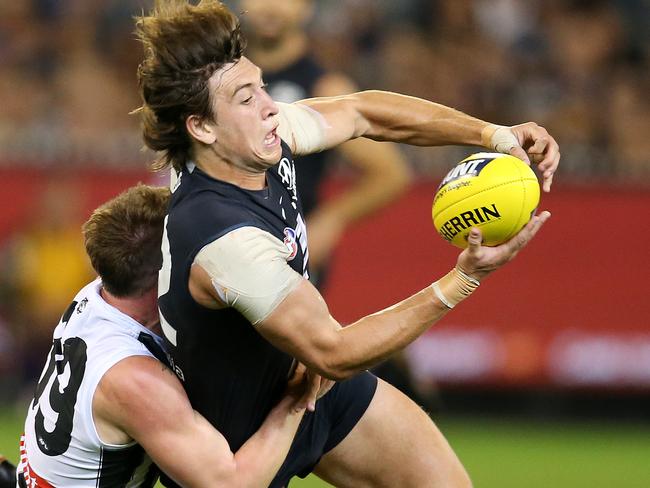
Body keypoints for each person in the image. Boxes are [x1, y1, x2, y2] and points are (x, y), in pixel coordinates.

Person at [136, 1, 559, 486]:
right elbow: (334, 351)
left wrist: (492, 134)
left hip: (304, 384)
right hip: (237, 442)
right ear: (201, 127)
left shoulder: (255, 141)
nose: (271, 106)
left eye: (262, 87)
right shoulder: (223, 239)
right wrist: (464, 279)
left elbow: (361, 112)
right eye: (246, 98)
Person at [17, 184, 323, 487]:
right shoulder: (134, 379)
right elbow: (232, 483)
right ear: (165, 271)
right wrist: (295, 399)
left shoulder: (101, 294)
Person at [241, 0, 411, 286]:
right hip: (226, 245)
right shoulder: (217, 77)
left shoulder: (325, 89)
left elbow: (391, 173)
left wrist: (331, 219)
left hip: (287, 257)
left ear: (307, 7)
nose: (270, 5)